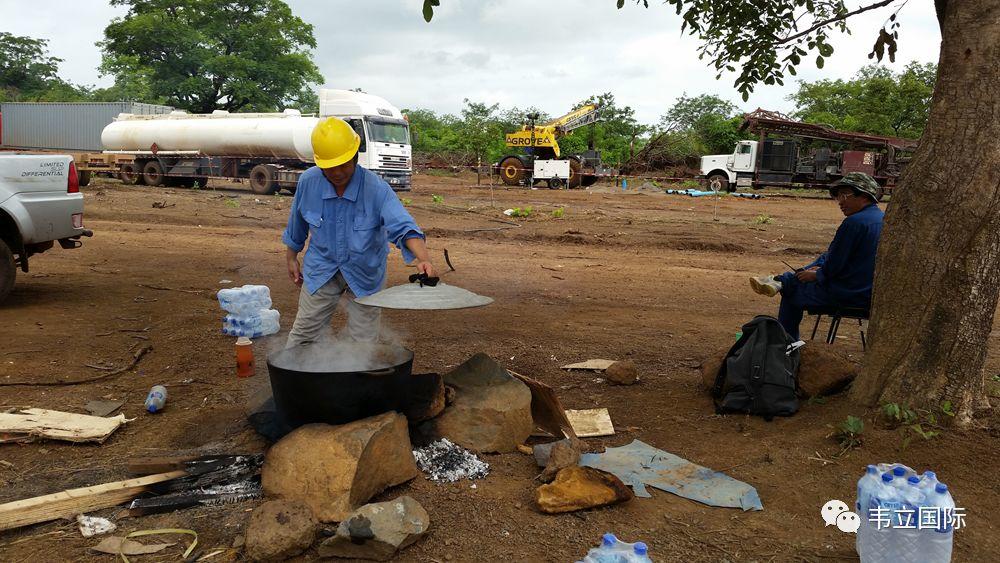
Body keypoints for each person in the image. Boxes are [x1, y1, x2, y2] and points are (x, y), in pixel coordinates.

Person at [282, 117, 435, 347]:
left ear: (354, 156)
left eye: (343, 164)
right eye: (329, 167)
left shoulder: (377, 189)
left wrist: (423, 259)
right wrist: (291, 256)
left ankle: (355, 380)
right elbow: (297, 223)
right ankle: (294, 380)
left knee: (362, 343)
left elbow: (403, 226)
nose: (337, 172)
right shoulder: (308, 182)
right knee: (304, 334)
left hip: (365, 272)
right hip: (322, 268)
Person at [749, 172, 884, 339]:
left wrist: (818, 274)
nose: (840, 202)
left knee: (791, 291)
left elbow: (835, 265)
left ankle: (787, 344)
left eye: (845, 195)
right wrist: (819, 271)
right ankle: (782, 280)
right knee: (821, 260)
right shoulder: (883, 219)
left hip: (848, 293)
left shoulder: (854, 223)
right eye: (838, 196)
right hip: (869, 291)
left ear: (864, 195)